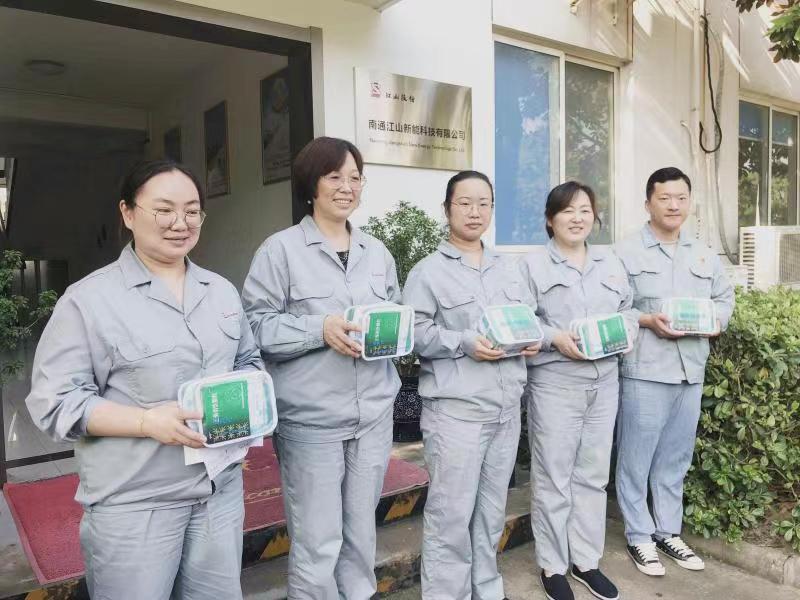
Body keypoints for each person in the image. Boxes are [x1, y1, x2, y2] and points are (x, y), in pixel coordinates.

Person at [25, 159, 263, 600]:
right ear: (128, 213)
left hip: (219, 493)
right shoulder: (90, 300)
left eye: (192, 211)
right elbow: (54, 401)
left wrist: (245, 405)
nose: (180, 223)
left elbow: (248, 360)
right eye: (164, 210)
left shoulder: (221, 291)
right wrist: (145, 422)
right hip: (136, 504)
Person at [242, 136, 400, 598]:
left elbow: (393, 314)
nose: (347, 187)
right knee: (317, 541)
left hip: (373, 416)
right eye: (335, 176)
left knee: (361, 533)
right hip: (311, 421)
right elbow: (256, 327)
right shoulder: (280, 250)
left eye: (355, 177)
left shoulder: (377, 252)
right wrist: (320, 329)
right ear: (311, 185)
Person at [402, 170, 540, 600]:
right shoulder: (428, 272)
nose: (474, 212)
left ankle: (486, 588)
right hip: (456, 413)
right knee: (450, 516)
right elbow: (413, 334)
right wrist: (462, 342)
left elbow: (527, 318)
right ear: (447, 210)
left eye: (483, 203)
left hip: (505, 410)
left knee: (491, 512)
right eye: (464, 203)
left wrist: (531, 338)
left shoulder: (510, 269)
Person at [614, 167, 734, 576]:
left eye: (681, 198)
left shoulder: (703, 253)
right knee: (636, 459)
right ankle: (639, 536)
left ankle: (667, 531)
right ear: (648, 203)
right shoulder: (625, 252)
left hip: (690, 370)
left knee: (675, 459)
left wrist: (717, 322)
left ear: (689, 202)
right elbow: (615, 308)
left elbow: (724, 299)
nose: (673, 205)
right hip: (645, 371)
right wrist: (647, 320)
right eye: (664, 198)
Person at [520, 181, 635, 600]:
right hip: (556, 382)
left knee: (592, 475)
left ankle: (586, 561)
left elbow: (628, 310)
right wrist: (554, 338)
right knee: (554, 476)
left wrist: (624, 331)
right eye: (567, 210)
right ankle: (552, 565)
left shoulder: (610, 261)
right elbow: (522, 321)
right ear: (550, 219)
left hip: (604, 381)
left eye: (585, 210)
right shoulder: (531, 266)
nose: (577, 218)